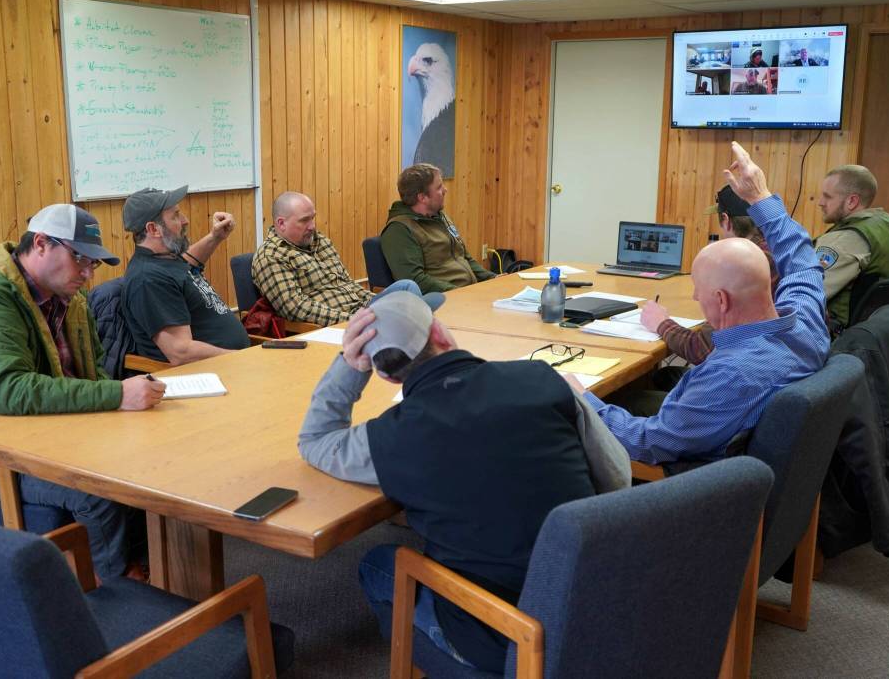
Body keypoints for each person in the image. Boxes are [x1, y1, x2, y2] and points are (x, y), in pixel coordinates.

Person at [298, 289, 630, 672]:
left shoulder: (391, 438)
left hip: (499, 636)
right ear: (440, 333)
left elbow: (315, 440)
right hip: (593, 598)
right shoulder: (541, 379)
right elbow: (618, 478)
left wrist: (349, 367)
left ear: (386, 376)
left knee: (377, 563)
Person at [0, 203, 166, 580]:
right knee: (95, 490)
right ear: (40, 244)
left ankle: (152, 569)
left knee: (148, 454)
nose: (89, 274)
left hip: (49, 434)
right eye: (80, 260)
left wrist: (125, 395)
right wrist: (117, 396)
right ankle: (117, 598)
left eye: (94, 264)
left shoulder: (70, 299)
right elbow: (7, 390)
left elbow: (91, 374)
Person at [579, 142, 830, 467]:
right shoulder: (805, 321)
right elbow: (802, 262)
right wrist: (760, 197)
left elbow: (650, 442)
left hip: (699, 488)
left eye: (699, 290)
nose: (696, 297)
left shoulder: (731, 374)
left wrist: (582, 399)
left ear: (722, 300)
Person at [641, 184, 779, 366]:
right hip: (765, 365)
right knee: (666, 376)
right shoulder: (779, 252)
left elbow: (700, 349)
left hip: (739, 372)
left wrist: (661, 323)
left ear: (726, 220)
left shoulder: (747, 265)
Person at [121, 185, 250, 365]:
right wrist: (243, 358)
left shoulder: (164, 259)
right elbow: (180, 351)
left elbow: (187, 262)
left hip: (235, 363)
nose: (185, 220)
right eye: (175, 216)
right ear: (153, 229)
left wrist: (215, 237)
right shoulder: (149, 280)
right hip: (215, 373)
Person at [814, 165, 889, 332]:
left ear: (852, 201)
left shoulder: (842, 242)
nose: (820, 203)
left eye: (827, 197)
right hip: (881, 330)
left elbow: (808, 292)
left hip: (833, 335)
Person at [252, 191, 373, 325]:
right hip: (336, 327)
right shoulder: (271, 256)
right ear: (281, 224)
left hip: (361, 313)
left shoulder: (320, 241)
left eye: (312, 218)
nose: (312, 226)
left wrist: (379, 302)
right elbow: (296, 309)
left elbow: (348, 284)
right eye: (304, 220)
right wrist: (355, 320)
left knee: (399, 292)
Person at [381, 163, 496, 294]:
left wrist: (492, 278)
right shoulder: (399, 230)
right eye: (439, 187)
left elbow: (465, 257)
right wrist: (463, 293)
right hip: (444, 301)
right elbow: (415, 280)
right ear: (422, 197)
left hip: (467, 293)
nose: (445, 190)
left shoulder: (439, 216)